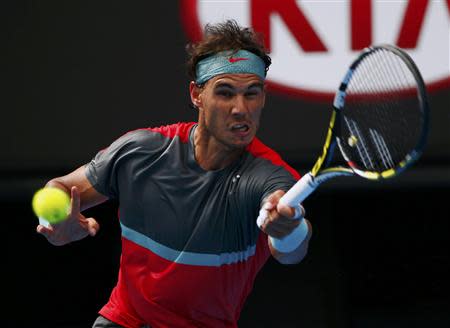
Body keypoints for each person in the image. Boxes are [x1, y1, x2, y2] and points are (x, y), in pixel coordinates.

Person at [36, 20, 312, 328]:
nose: (240, 108)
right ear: (197, 95)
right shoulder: (142, 152)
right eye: (225, 93)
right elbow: (59, 187)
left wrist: (289, 228)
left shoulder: (269, 176)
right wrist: (53, 221)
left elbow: (291, 251)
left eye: (252, 93)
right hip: (125, 321)